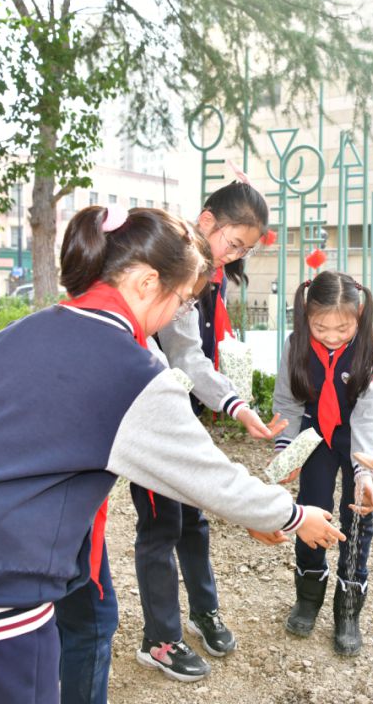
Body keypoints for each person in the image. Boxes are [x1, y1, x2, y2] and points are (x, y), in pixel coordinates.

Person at [0, 205, 344, 704]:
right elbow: (207, 474)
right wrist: (292, 516)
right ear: (144, 283)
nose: (179, 315)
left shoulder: (6, 340)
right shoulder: (128, 370)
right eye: (181, 301)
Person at [129, 179, 282, 683]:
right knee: (160, 524)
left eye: (245, 250)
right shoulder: (171, 264)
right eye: (233, 244)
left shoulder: (207, 272)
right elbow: (182, 355)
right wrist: (234, 405)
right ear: (208, 221)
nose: (234, 256)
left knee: (192, 518)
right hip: (146, 415)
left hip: (181, 410)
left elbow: (194, 357)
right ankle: (160, 638)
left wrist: (236, 407)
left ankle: (203, 610)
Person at [272, 270, 373, 656]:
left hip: (358, 442)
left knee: (358, 516)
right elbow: (288, 402)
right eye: (321, 327)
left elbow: (371, 416)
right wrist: (285, 450)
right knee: (312, 510)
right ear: (306, 316)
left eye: (343, 328)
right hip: (314, 436)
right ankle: (308, 595)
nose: (333, 336)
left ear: (360, 314)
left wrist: (365, 473)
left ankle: (349, 608)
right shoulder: (296, 346)